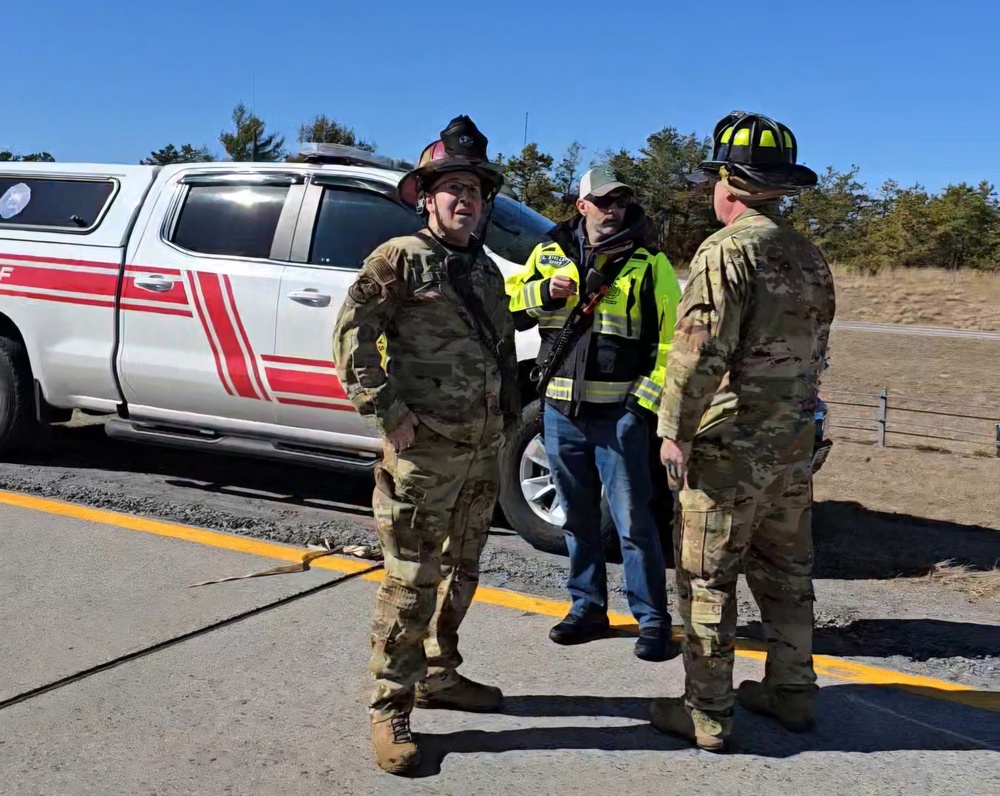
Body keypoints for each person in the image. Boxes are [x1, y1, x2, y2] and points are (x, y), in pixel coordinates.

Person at [332, 115, 520, 775]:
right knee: (412, 582)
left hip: (477, 451)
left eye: (472, 189)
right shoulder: (400, 259)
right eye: (450, 189)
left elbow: (497, 350)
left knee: (462, 573)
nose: (463, 199)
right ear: (427, 197)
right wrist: (386, 411)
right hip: (422, 452)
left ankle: (440, 673)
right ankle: (390, 707)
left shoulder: (487, 270)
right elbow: (351, 334)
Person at [649, 110, 836, 752]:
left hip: (731, 449)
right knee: (787, 574)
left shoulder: (726, 251)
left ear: (725, 184)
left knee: (707, 578)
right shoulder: (808, 255)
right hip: (792, 444)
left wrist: (673, 429)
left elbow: (699, 350)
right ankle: (791, 693)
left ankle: (707, 711)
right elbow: (816, 352)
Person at [506, 166, 683, 662]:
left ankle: (652, 620)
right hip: (560, 412)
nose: (612, 210)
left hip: (619, 416)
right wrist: (545, 293)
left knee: (634, 523)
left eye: (620, 201)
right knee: (576, 518)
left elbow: (674, 343)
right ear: (581, 206)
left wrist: (641, 407)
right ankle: (586, 608)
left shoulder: (650, 264)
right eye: (602, 201)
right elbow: (512, 305)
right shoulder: (548, 253)